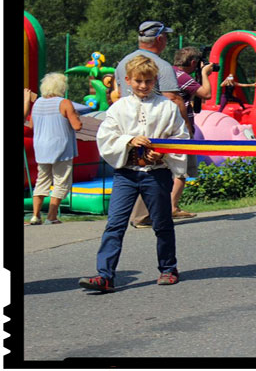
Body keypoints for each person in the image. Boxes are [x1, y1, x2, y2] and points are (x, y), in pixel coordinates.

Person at [78, 55, 189, 292]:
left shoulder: (167, 107)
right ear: (128, 80)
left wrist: (161, 153)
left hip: (156, 174)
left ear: (155, 80)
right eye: (138, 81)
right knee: (115, 224)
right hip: (126, 174)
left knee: (162, 223)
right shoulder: (119, 108)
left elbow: (179, 137)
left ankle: (168, 268)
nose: (143, 86)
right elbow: (106, 137)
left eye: (148, 81)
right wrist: (129, 140)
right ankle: (105, 275)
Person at [115, 21, 186, 227]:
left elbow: (118, 95)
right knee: (160, 171)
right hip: (156, 129)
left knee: (133, 171)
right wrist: (185, 127)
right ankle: (156, 214)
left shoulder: (123, 63)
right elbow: (172, 98)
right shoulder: (161, 66)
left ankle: (136, 215)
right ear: (160, 39)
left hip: (128, 128)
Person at [26, 73, 82, 225]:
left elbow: (31, 125)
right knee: (61, 181)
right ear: (62, 87)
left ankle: (35, 215)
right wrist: (77, 116)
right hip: (61, 148)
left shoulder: (37, 103)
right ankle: (51, 216)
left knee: (41, 181)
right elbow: (77, 126)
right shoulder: (64, 103)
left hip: (41, 148)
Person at [167, 47, 215, 219]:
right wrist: (205, 74)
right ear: (194, 63)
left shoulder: (168, 72)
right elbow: (207, 94)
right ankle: (172, 206)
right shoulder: (182, 76)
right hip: (180, 129)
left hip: (165, 128)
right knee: (181, 169)